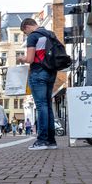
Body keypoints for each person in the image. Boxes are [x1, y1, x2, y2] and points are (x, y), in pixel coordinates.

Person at [17, 18, 58, 150]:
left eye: (25, 32)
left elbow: (29, 59)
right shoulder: (51, 34)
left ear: (27, 26)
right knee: (48, 106)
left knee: (41, 106)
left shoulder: (33, 36)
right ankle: (51, 141)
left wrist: (21, 58)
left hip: (38, 72)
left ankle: (41, 140)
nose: (26, 35)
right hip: (51, 73)